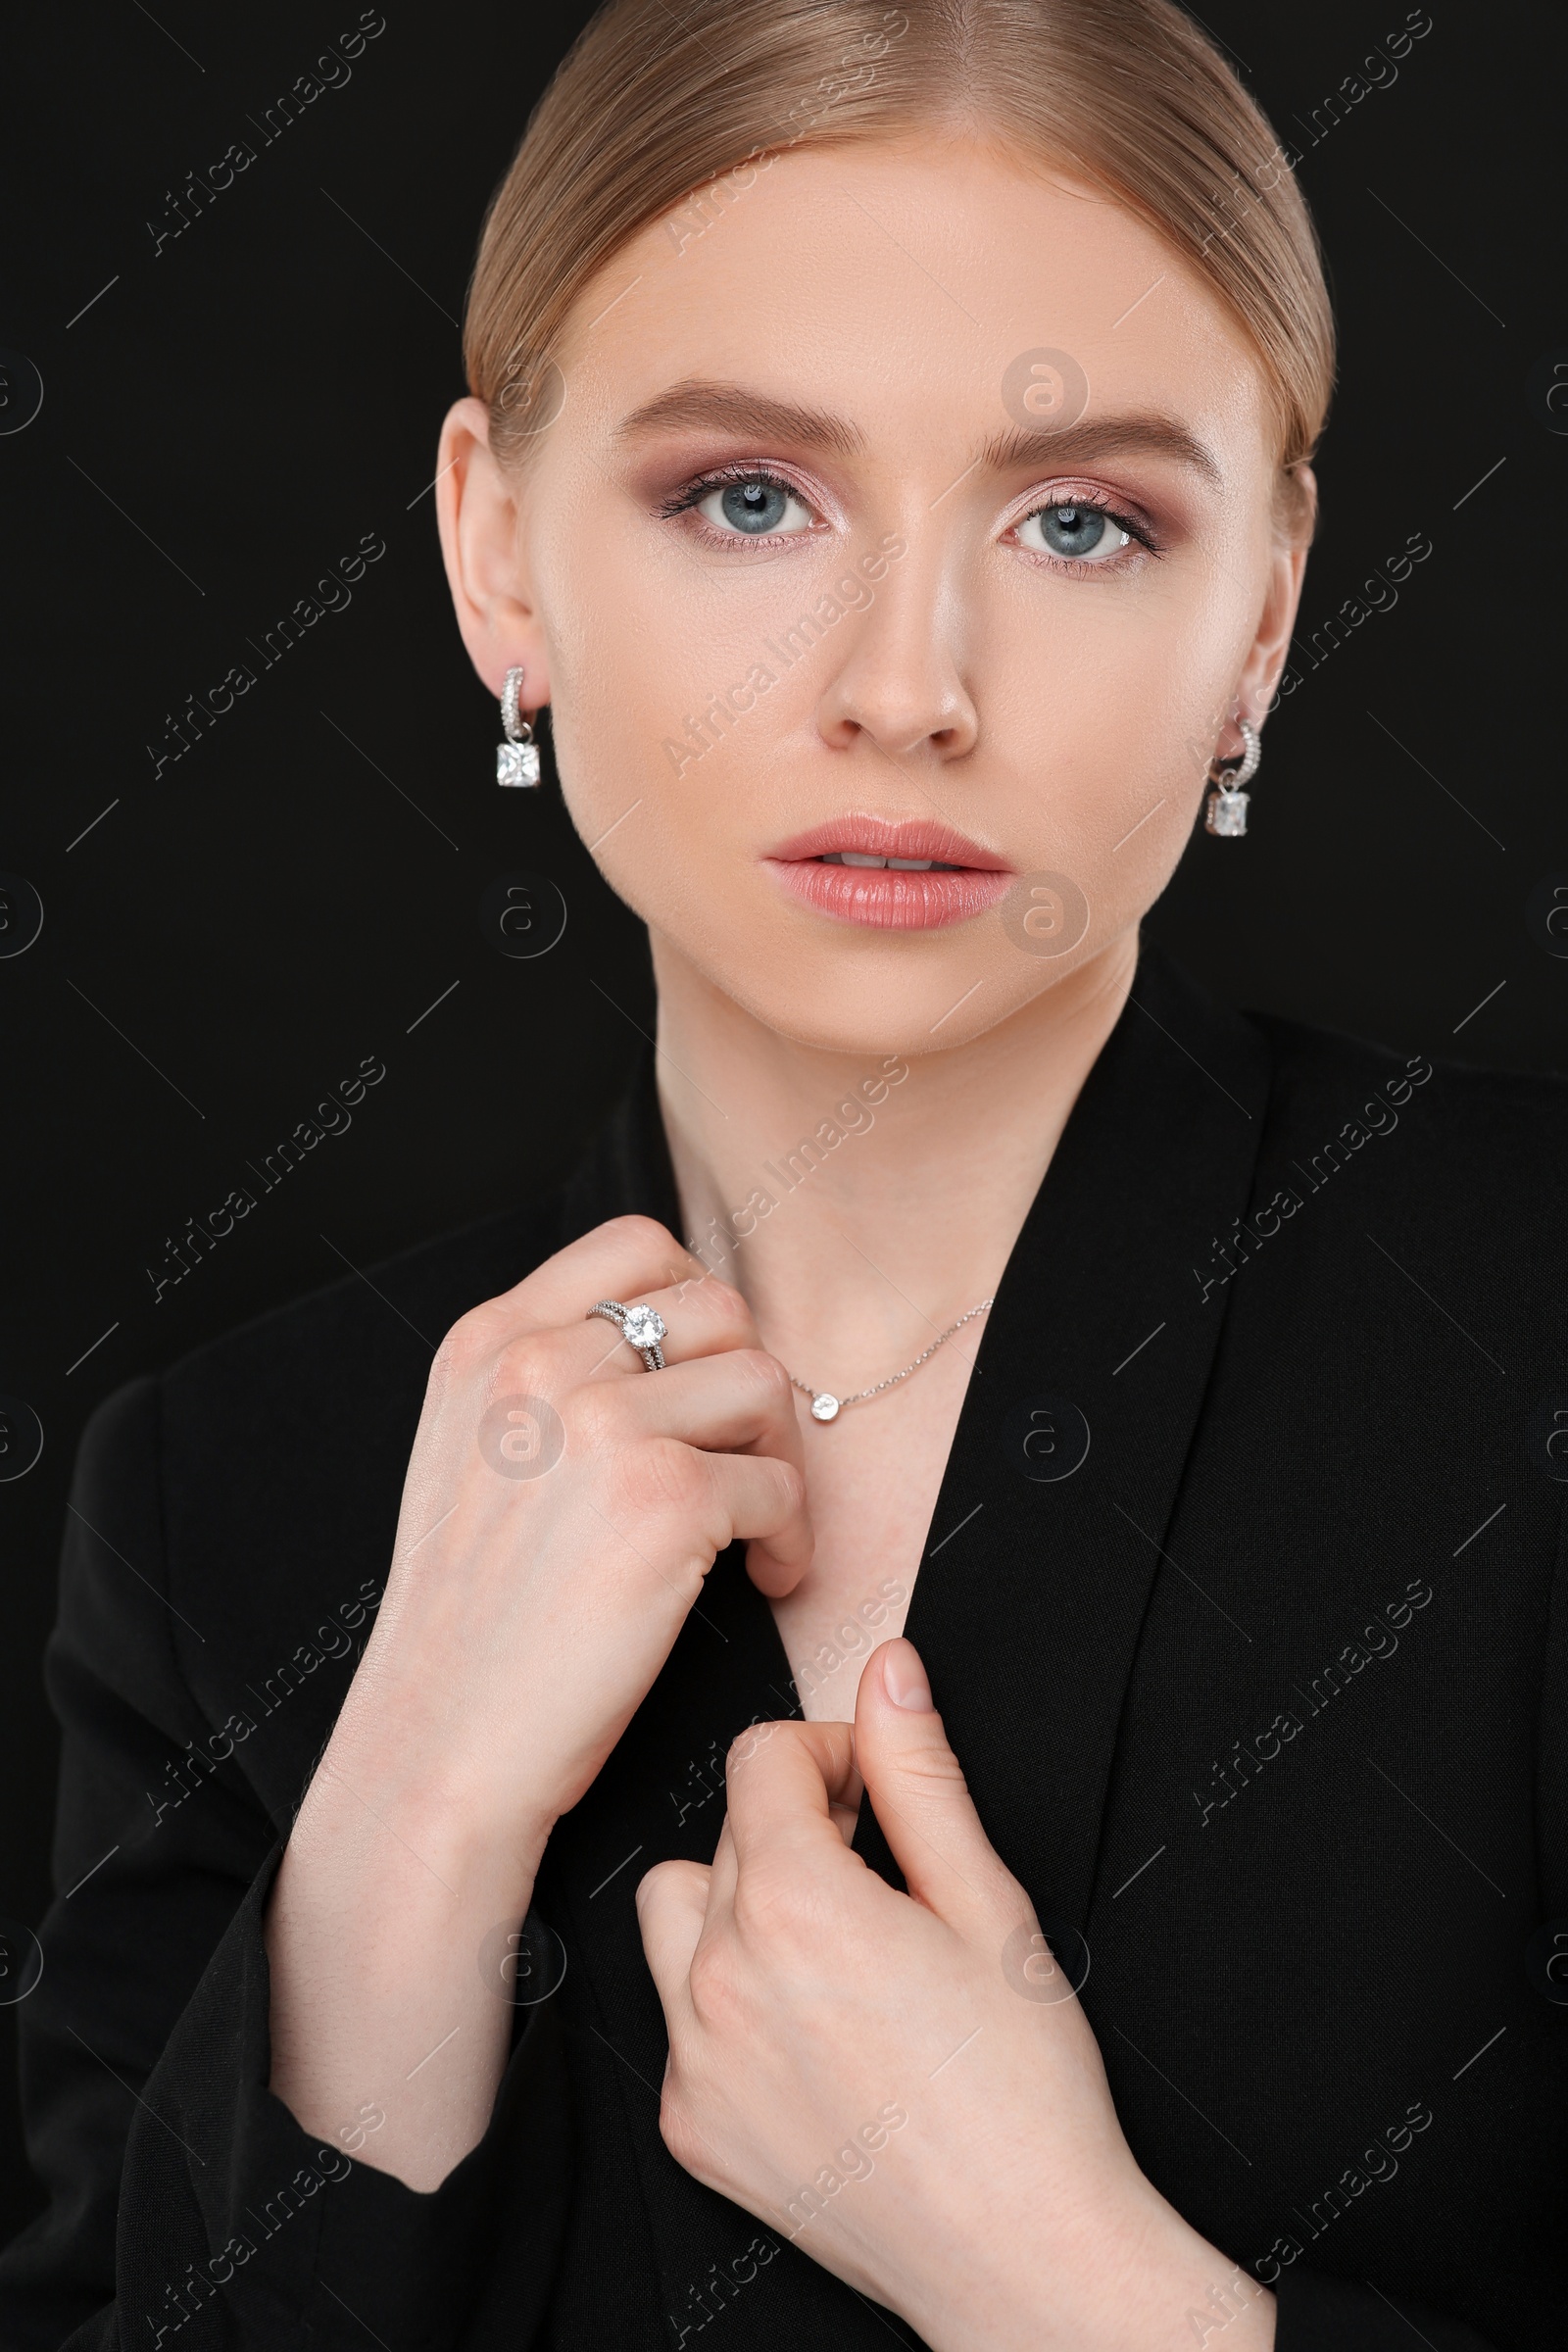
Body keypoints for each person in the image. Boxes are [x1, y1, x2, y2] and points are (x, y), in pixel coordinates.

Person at [1, 2, 1559, 2345]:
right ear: (496, 558)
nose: (904, 682)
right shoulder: (228, 1498)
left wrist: (1067, 2286)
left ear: (1254, 616)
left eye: (1077, 520)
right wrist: (401, 1838)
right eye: (749, 497)